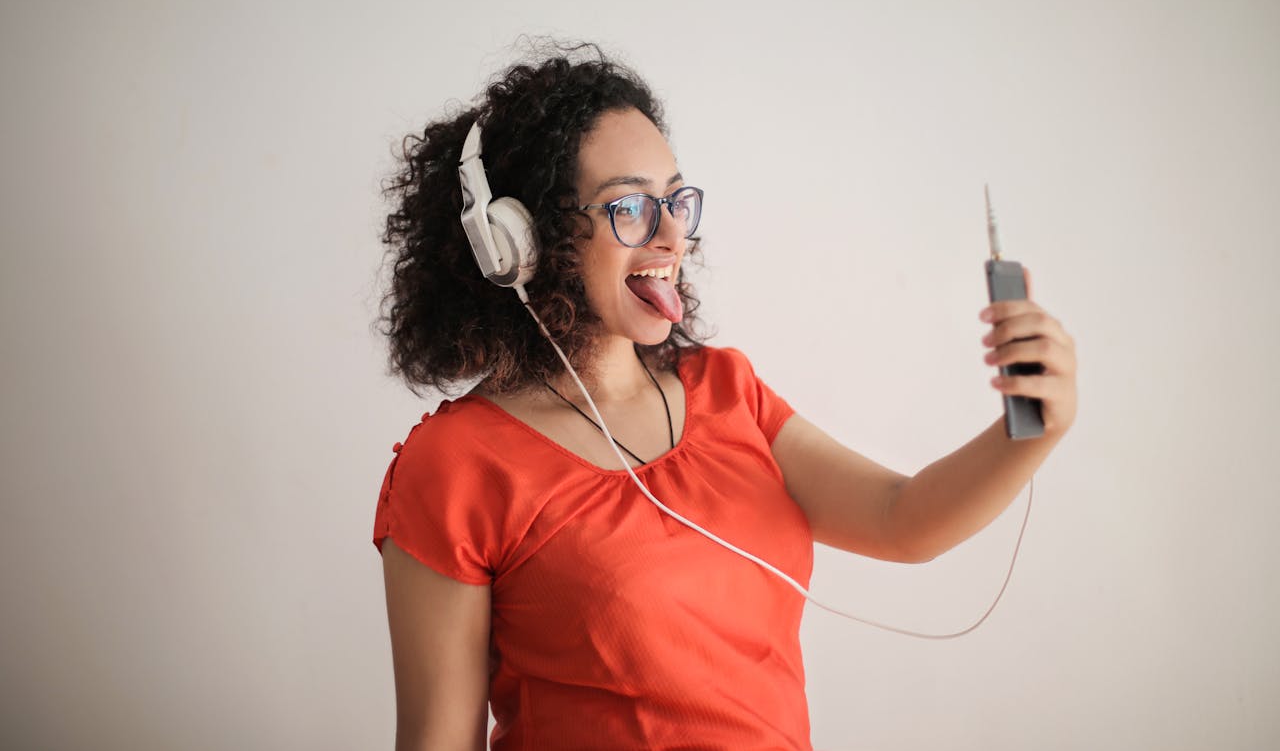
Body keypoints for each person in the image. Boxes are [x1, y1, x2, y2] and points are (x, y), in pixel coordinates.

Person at [371, 41, 1078, 751]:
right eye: (629, 206)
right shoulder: (457, 463)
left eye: (675, 201)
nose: (671, 234)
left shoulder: (725, 390)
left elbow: (903, 518)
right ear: (517, 240)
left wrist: (1034, 428)